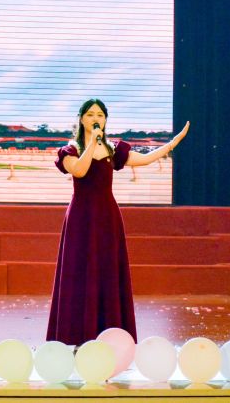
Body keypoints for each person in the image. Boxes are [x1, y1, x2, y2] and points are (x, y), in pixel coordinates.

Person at [47, 99, 190, 345]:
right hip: (81, 219)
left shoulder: (113, 150)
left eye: (100, 115)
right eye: (90, 114)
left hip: (107, 217)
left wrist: (173, 143)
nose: (96, 118)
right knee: (79, 273)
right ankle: (76, 338)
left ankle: (108, 337)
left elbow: (145, 159)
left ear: (105, 120)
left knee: (107, 273)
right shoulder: (70, 149)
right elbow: (80, 171)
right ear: (81, 119)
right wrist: (92, 143)